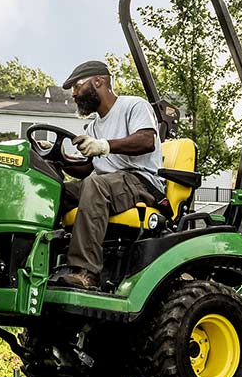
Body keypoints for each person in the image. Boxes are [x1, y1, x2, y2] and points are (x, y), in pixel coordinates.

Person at [55, 60, 166, 290]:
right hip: (110, 184)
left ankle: (86, 273)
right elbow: (86, 169)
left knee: (95, 185)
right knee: (58, 190)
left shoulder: (134, 106)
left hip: (141, 182)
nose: (74, 95)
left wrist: (104, 145)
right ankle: (45, 261)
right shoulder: (94, 126)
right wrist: (57, 158)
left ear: (98, 81)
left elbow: (146, 140)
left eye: (77, 86)